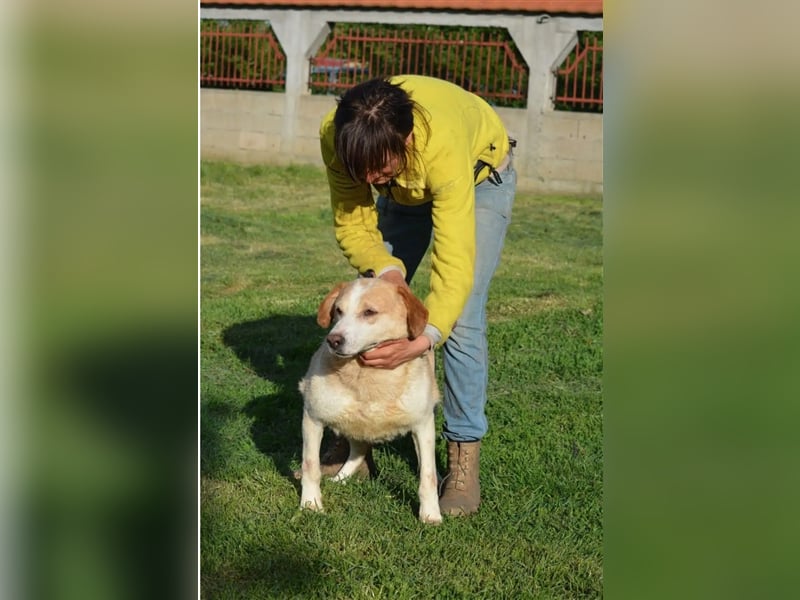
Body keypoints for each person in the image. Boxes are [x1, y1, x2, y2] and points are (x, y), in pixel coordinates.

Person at [317, 75, 516, 516]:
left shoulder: (440, 146)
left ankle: (462, 459)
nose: (369, 179)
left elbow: (454, 263)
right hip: (403, 193)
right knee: (366, 302)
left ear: (405, 140)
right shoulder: (339, 135)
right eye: (361, 170)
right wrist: (387, 273)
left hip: (479, 178)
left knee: (460, 320)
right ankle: (353, 438)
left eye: (379, 169)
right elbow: (353, 223)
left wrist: (425, 336)